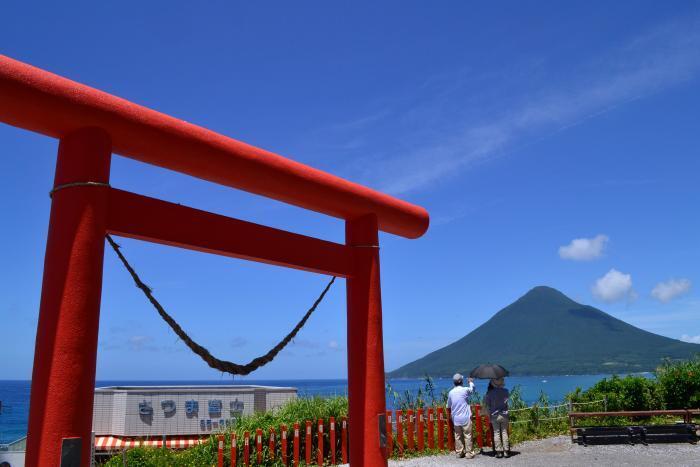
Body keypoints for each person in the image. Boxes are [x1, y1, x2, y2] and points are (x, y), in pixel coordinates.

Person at [446, 373, 476, 458]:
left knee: (458, 436)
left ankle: (460, 452)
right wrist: (470, 382)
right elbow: (473, 389)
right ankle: (469, 453)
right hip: (465, 417)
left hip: (456, 418)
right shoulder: (465, 390)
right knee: (467, 435)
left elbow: (448, 405)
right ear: (461, 381)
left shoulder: (451, 392)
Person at [483, 377, 510, 458]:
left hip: (494, 415)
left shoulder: (490, 393)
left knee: (496, 433)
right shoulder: (506, 391)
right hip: (504, 414)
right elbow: (506, 402)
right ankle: (506, 451)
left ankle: (498, 452)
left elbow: (487, 404)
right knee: (504, 432)